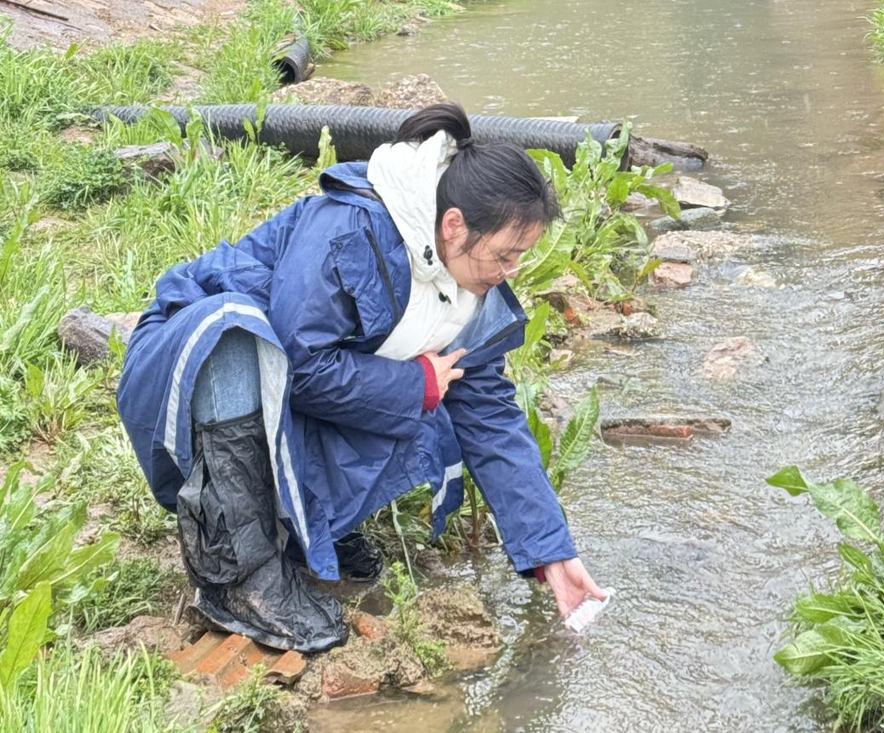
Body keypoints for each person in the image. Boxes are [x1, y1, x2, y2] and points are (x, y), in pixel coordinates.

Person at [117, 103, 608, 652]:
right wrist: (414, 384)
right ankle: (238, 578)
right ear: (454, 225)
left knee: (434, 405)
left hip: (281, 394)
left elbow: (490, 415)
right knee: (236, 330)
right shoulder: (354, 227)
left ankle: (303, 534)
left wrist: (551, 552)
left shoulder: (468, 287)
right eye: (506, 256)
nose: (510, 272)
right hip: (185, 371)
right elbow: (299, 362)